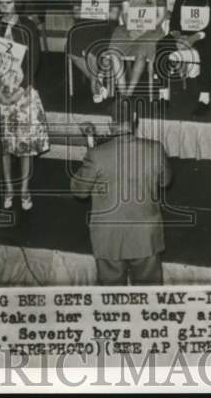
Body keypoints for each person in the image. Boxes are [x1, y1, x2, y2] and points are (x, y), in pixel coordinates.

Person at [71, 102, 171, 285]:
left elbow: (79, 191)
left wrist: (91, 145)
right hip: (145, 238)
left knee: (111, 301)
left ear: (111, 125)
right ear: (135, 121)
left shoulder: (96, 155)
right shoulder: (155, 149)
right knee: (150, 300)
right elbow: (165, 181)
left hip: (109, 240)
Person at [0, 0, 50, 210]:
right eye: (0, 3)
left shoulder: (28, 26)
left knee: (25, 146)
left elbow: (33, 62)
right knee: (4, 145)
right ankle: (8, 188)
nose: (4, 7)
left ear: (16, 2)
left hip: (22, 90)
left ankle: (24, 189)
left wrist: (19, 90)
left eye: (8, 2)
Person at [66, 0, 123, 104]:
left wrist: (92, 10)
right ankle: (97, 80)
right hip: (84, 24)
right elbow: (75, 11)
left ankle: (94, 88)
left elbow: (114, 14)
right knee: (71, 45)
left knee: (91, 50)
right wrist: (91, 11)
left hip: (105, 26)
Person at [109, 0, 168, 96]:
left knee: (141, 54)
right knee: (113, 52)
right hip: (130, 26)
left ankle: (128, 93)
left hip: (151, 29)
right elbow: (125, 11)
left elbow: (161, 16)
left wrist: (146, 26)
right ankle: (122, 90)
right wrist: (131, 25)